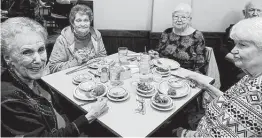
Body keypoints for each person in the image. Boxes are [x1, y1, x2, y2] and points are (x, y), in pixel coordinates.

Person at [1, 17, 108, 137]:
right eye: (27, 52)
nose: (38, 60)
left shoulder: (35, 79)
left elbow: (59, 110)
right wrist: (90, 116)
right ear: (8, 58)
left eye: (41, 49)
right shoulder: (8, 100)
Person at [173, 17, 262, 137]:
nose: (234, 50)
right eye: (235, 44)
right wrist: (206, 86)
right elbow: (230, 103)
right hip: (203, 128)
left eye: (242, 45)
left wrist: (185, 134)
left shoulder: (255, 96)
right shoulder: (251, 77)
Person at [149, 3, 206, 74]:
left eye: (183, 17)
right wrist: (155, 54)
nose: (179, 20)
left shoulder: (197, 35)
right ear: (172, 17)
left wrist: (193, 76)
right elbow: (159, 51)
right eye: (176, 16)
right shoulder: (167, 32)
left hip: (186, 74)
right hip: (164, 71)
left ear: (189, 19)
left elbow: (200, 62)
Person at [49, 4, 107, 73]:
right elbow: (53, 67)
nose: (82, 24)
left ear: (90, 22)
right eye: (79, 20)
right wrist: (75, 62)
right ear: (73, 23)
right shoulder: (62, 39)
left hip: (91, 75)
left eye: (86, 20)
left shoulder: (96, 35)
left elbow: (103, 57)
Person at [219, 0, 262, 90]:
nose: (255, 13)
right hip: (237, 68)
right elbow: (222, 49)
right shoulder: (234, 29)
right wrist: (238, 59)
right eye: (252, 10)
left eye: (259, 10)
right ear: (244, 12)